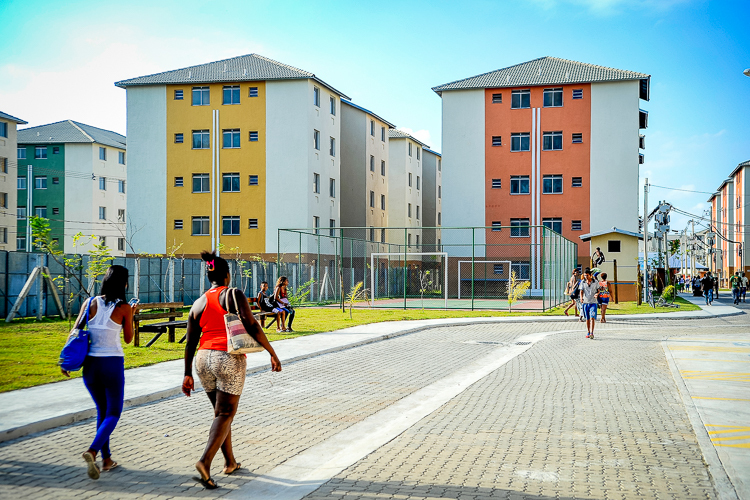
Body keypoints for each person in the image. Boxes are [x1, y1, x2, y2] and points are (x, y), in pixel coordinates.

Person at [182, 251, 282, 489]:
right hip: (227, 358)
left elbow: (189, 342)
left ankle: (230, 462)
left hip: (202, 360)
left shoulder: (198, 303)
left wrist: (186, 374)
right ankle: (204, 462)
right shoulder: (233, 293)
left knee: (221, 415)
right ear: (227, 275)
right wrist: (272, 352)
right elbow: (251, 324)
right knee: (225, 414)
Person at [62, 265, 135, 480]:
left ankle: (107, 460)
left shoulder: (89, 302)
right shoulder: (124, 308)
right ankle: (92, 451)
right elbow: (129, 339)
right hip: (112, 364)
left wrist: (65, 362)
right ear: (124, 283)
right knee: (113, 413)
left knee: (102, 412)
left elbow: (74, 331)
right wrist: (131, 314)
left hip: (90, 367)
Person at [579, 268, 601, 339]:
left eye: (587, 275)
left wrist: (597, 294)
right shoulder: (583, 282)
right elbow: (581, 291)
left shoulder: (595, 282)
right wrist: (581, 298)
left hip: (593, 303)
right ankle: (588, 331)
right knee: (587, 319)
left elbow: (598, 291)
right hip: (585, 302)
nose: (586, 277)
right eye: (585, 275)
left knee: (592, 318)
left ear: (590, 275)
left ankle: (592, 332)